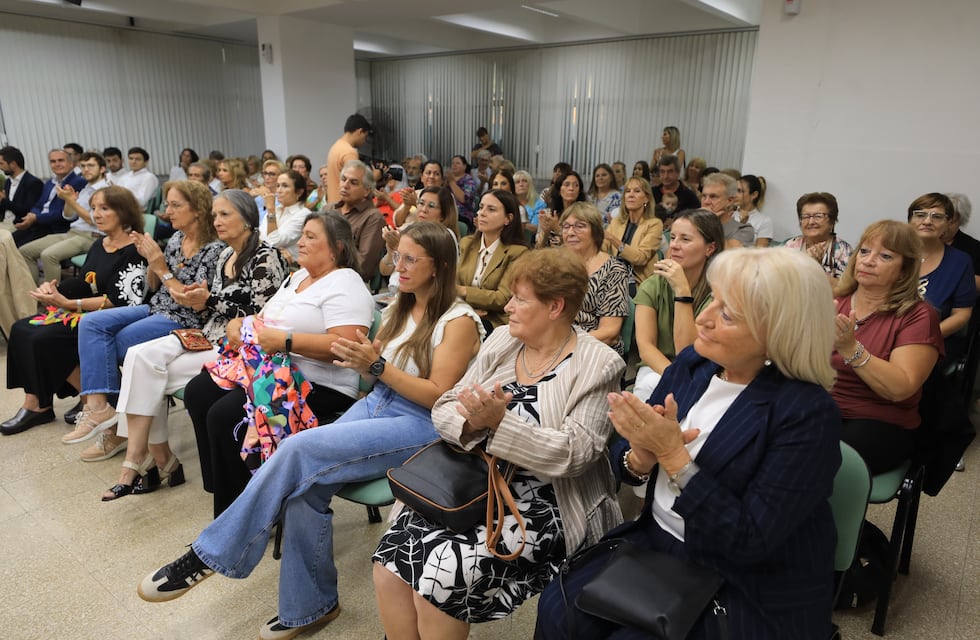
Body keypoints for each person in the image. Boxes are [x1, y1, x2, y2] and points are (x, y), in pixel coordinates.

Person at [138, 222, 483, 640]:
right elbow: (376, 380)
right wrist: (368, 364)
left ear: (440, 266)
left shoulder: (458, 320)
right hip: (379, 403)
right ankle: (311, 607)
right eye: (398, 256)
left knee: (299, 449)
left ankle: (209, 554)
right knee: (304, 489)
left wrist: (375, 366)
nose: (398, 266)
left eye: (411, 259)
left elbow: (436, 397)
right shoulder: (399, 306)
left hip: (420, 423)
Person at [537, 247, 843, 640]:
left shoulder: (806, 413)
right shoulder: (693, 366)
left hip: (743, 578)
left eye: (727, 314)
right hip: (659, 542)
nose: (703, 318)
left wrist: (674, 457)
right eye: (711, 299)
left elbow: (749, 541)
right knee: (558, 609)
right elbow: (623, 457)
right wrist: (640, 457)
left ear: (778, 332)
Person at [374, 247, 625, 638]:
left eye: (520, 299)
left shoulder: (598, 363)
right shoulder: (503, 341)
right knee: (389, 561)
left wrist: (500, 425)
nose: (507, 307)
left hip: (548, 498)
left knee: (442, 577)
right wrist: (474, 423)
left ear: (556, 307)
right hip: (475, 480)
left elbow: (576, 454)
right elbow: (444, 406)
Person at [182, 211, 374, 516]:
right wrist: (240, 325)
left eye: (312, 236)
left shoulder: (346, 283)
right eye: (303, 235)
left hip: (319, 383)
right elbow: (266, 319)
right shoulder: (298, 276)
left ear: (337, 247)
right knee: (199, 392)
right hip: (272, 369)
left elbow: (347, 348)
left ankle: (242, 517)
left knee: (225, 415)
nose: (301, 242)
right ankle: (229, 492)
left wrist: (286, 342)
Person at [101, 190, 289, 499]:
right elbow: (212, 305)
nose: (217, 221)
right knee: (138, 358)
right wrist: (198, 299)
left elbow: (262, 313)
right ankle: (147, 457)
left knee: (148, 371)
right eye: (215, 214)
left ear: (247, 218)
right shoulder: (225, 255)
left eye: (225, 214)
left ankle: (143, 463)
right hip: (206, 333)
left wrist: (210, 300)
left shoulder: (266, 256)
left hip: (236, 345)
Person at [66, 181, 223, 447]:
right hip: (157, 306)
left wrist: (160, 265)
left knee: (114, 345)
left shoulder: (214, 249)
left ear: (197, 209)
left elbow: (191, 300)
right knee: (90, 324)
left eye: (175, 205)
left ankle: (117, 429)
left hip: (185, 318)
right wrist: (151, 262)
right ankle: (99, 407)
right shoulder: (176, 238)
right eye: (167, 204)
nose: (167, 211)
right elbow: (154, 287)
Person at [1, 187, 147, 436]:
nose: (96, 214)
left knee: (45, 338)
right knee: (21, 328)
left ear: (124, 213)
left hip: (112, 317)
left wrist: (68, 304)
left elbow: (121, 302)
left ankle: (93, 399)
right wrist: (54, 289)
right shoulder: (101, 244)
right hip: (85, 309)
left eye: (104, 208)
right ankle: (37, 403)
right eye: (94, 208)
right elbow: (85, 282)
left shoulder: (136, 249)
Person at [832, 220, 943, 474]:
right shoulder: (836, 300)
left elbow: (900, 388)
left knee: (821, 461)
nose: (868, 261)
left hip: (879, 420)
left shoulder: (918, 316)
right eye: (864, 251)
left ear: (904, 270)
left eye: (885, 256)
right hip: (822, 406)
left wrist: (851, 349)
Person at [632, 209, 724, 402]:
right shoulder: (652, 285)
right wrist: (674, 378)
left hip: (705, 368)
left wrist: (682, 292)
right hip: (657, 367)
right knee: (650, 383)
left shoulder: (720, 291)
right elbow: (646, 347)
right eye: (672, 237)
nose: (674, 245)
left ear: (710, 248)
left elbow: (688, 351)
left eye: (685, 239)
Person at [17, 151, 109, 284]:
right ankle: (35, 295)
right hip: (72, 232)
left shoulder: (105, 191)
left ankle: (53, 300)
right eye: (83, 166)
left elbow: (93, 220)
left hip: (91, 236)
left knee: (48, 256)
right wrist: (69, 200)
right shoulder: (86, 188)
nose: (86, 169)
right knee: (25, 251)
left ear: (102, 169)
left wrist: (71, 201)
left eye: (91, 165)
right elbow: (68, 216)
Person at [907, 193, 974, 361]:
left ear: (948, 224)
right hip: (885, 333)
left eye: (937, 217)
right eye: (920, 215)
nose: (928, 221)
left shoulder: (960, 262)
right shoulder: (894, 252)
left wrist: (927, 336)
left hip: (932, 341)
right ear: (910, 221)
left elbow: (962, 314)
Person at [558, 202, 630, 355]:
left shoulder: (614, 269)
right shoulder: (554, 264)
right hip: (553, 342)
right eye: (566, 226)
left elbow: (610, 332)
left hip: (595, 349)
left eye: (580, 226)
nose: (570, 232)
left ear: (596, 231)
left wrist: (564, 347)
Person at [457, 190, 529, 330]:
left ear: (508, 219)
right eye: (481, 207)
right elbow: (452, 287)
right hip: (464, 314)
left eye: (491, 209)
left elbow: (502, 298)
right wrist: (470, 312)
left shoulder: (518, 253)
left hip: (496, 322)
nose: (482, 213)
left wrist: (464, 291)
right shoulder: (467, 243)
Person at [11, 148, 87, 246]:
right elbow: (39, 204)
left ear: (71, 164)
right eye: (53, 161)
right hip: (39, 224)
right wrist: (31, 215)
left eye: (61, 160)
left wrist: (36, 218)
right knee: (9, 242)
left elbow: (64, 214)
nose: (57, 164)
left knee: (21, 249)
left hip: (57, 228)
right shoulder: (50, 182)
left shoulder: (78, 182)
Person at [603, 176, 663, 288]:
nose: (631, 195)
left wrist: (613, 240)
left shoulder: (654, 224)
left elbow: (640, 258)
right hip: (613, 278)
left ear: (646, 199)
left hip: (639, 284)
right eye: (627, 191)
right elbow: (602, 248)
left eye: (637, 191)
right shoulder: (617, 222)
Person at [332, 160, 386, 283]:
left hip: (350, 282)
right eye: (343, 179)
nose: (345, 185)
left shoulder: (373, 218)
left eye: (353, 182)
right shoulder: (329, 209)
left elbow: (363, 267)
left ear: (367, 191)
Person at [784, 191, 853, 283]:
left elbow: (844, 287)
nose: (811, 222)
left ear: (832, 221)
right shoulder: (791, 245)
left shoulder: (843, 250)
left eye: (818, 216)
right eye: (806, 216)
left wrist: (817, 266)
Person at [259, 169, 310, 263]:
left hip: (290, 266)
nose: (279, 190)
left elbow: (274, 242)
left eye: (285, 186)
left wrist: (270, 211)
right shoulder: (276, 210)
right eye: (277, 185)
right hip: (266, 260)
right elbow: (260, 237)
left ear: (299, 192)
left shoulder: (303, 214)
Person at [326, 113, 372, 203]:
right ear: (359, 131)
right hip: (344, 206)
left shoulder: (335, 147)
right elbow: (356, 181)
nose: (364, 141)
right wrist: (375, 177)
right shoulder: (349, 152)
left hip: (333, 204)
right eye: (365, 137)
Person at [701, 173, 753, 248]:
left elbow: (729, 253)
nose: (706, 202)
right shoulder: (692, 223)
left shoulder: (743, 230)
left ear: (730, 200)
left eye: (713, 197)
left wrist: (710, 222)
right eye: (704, 196)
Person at [536, 170, 587, 248]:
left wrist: (557, 229)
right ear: (559, 190)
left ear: (579, 191)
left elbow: (579, 248)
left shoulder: (585, 215)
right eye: (567, 185)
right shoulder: (548, 214)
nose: (571, 188)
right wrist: (545, 233)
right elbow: (538, 249)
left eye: (576, 185)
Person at [393, 160, 444, 227]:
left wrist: (416, 203)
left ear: (442, 179)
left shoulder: (446, 197)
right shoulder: (415, 194)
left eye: (436, 174)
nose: (431, 176)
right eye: (428, 173)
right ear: (422, 177)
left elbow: (443, 221)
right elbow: (398, 223)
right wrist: (407, 205)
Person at [0, 146, 44, 224]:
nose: (0, 167)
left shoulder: (33, 183)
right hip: (4, 222)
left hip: (20, 225)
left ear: (13, 164)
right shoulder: (8, 182)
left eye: (1, 163)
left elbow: (27, 210)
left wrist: (3, 201)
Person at [735, 174, 773, 247]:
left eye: (740, 191)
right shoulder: (728, 215)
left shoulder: (764, 221)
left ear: (754, 195)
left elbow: (760, 252)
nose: (735, 194)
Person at [448, 155, 479, 229]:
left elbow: (464, 199)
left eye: (458, 163)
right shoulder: (448, 179)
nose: (454, 165)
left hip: (463, 214)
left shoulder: (469, 180)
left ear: (464, 166)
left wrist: (452, 182)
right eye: (453, 163)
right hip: (448, 212)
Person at [514, 169, 538, 235]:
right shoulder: (510, 202)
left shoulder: (539, 204)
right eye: (517, 182)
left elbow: (536, 228)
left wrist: (514, 223)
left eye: (524, 181)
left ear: (530, 184)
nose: (521, 184)